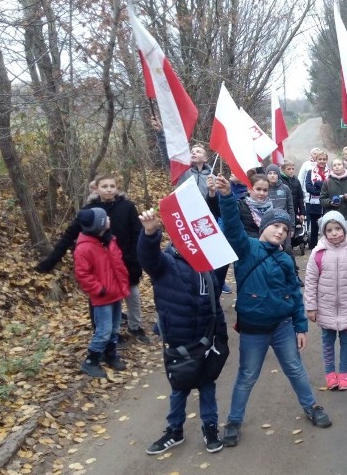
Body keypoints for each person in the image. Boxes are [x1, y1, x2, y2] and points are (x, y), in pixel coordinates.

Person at [214, 175, 331, 447]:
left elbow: (294, 295)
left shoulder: (285, 259)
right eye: (275, 226)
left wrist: (300, 327)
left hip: (281, 327)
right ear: (264, 226)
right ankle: (233, 420)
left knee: (295, 368)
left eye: (285, 229)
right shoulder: (246, 249)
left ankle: (311, 406)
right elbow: (232, 227)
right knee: (247, 376)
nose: (279, 231)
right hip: (253, 329)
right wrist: (227, 197)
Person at [137, 209, 228, 454]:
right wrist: (150, 232)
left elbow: (214, 301)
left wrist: (221, 335)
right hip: (178, 339)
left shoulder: (206, 266)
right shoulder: (165, 263)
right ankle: (174, 430)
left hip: (206, 339)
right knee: (180, 388)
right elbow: (147, 258)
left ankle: (210, 428)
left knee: (208, 386)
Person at [36, 174, 149, 346]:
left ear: (117, 187)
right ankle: (108, 332)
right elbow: (70, 234)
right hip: (101, 266)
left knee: (132, 295)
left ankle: (135, 326)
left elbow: (137, 233)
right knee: (105, 297)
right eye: (105, 186)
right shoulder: (90, 211)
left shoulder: (127, 206)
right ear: (96, 189)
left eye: (112, 186)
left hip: (127, 261)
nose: (109, 189)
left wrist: (135, 258)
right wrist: (51, 260)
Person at [303, 211, 347, 391]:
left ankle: (344, 372)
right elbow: (310, 281)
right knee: (327, 341)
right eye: (329, 230)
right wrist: (311, 306)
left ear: (344, 228)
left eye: (337, 228)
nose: (334, 233)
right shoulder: (318, 253)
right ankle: (330, 373)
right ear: (324, 232)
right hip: (326, 307)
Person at [72, 208, 129, 378]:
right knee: (103, 330)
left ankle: (110, 354)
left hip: (116, 292)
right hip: (103, 297)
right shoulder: (84, 248)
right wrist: (99, 289)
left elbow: (117, 262)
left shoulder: (108, 240)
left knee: (115, 327)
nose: (109, 219)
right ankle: (91, 361)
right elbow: (82, 274)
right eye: (106, 218)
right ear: (99, 225)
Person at [320, 158, 347, 226]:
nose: (337, 167)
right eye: (334, 165)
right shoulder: (327, 182)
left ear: (344, 166)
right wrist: (330, 202)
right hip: (331, 219)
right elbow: (322, 199)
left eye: (339, 164)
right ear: (332, 168)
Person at [304, 150, 329, 249]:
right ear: (316, 160)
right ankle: (313, 247)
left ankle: (328, 245)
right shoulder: (310, 172)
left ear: (327, 160)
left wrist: (318, 185)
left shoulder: (331, 172)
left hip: (327, 203)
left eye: (324, 159)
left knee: (328, 225)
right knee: (314, 227)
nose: (322, 161)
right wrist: (323, 189)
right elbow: (309, 188)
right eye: (320, 159)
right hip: (314, 204)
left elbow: (331, 187)